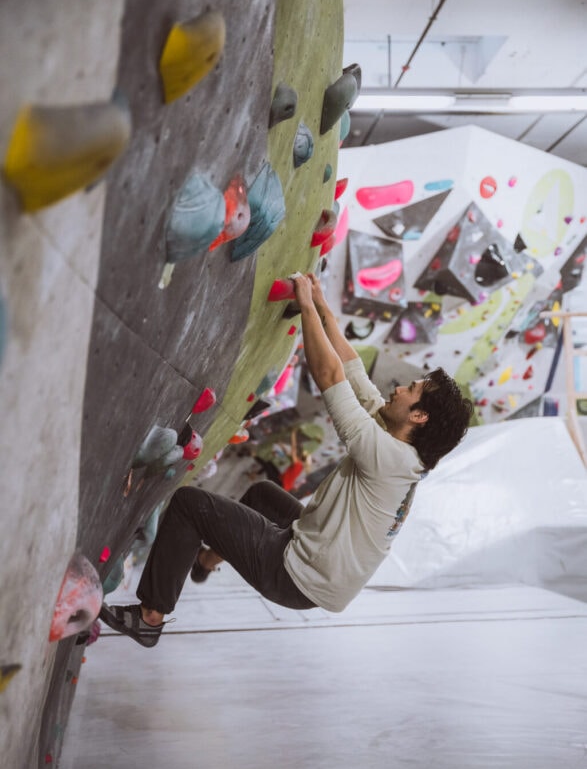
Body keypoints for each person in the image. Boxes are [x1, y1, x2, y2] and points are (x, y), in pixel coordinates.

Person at [99, 273, 473, 647]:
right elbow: (353, 371)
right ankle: (207, 561)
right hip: (325, 563)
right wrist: (324, 308)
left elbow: (330, 375)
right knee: (263, 494)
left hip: (298, 576)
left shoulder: (386, 455)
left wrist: (306, 306)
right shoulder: (400, 446)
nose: (399, 388)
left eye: (412, 390)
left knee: (189, 505)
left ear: (419, 416)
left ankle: (151, 616)